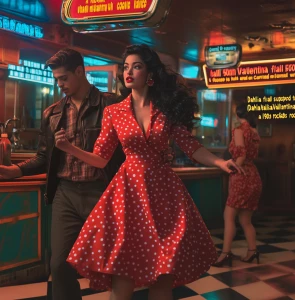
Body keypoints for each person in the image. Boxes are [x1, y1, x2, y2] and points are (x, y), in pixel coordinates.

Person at [54, 44, 244, 300]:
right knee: (123, 273)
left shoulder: (165, 111)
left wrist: (220, 163)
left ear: (150, 74)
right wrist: (69, 148)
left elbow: (191, 146)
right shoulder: (113, 112)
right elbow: (100, 159)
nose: (129, 71)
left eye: (137, 66)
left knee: (163, 273)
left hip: (164, 195)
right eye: (125, 67)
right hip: (127, 195)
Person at [0, 48, 126, 300]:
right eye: (56, 79)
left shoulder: (111, 104)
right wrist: (14, 171)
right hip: (66, 194)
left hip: (102, 191)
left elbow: (125, 151)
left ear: (80, 72)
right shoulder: (52, 113)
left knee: (116, 263)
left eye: (64, 78)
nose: (60, 84)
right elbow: (44, 157)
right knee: (58, 265)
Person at [213, 103, 262, 267]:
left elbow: (240, 155)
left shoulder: (240, 130)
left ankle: (225, 253)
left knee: (228, 216)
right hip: (253, 176)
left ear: (237, 114)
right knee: (246, 219)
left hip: (241, 176)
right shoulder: (255, 131)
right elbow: (249, 154)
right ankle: (252, 251)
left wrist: (230, 166)